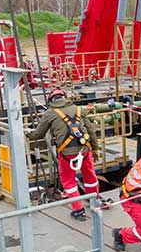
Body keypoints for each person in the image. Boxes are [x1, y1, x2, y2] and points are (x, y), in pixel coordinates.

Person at [31, 88, 99, 221]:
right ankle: (94, 201)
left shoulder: (50, 113)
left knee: (69, 181)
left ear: (51, 100)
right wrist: (95, 149)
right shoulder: (78, 109)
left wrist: (27, 133)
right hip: (85, 150)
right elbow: (91, 130)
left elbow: (37, 134)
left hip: (66, 154)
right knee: (90, 176)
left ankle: (78, 209)